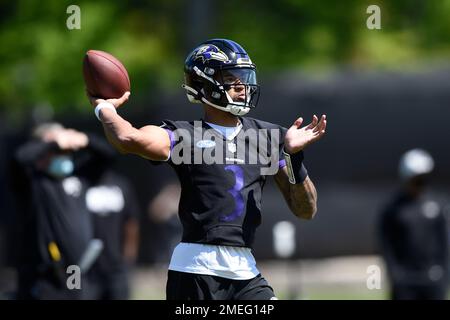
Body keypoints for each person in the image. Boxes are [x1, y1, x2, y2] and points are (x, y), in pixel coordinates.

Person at [88, 39, 327, 300]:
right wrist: (104, 107)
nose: (242, 87)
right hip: (195, 269)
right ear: (204, 84)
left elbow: (306, 210)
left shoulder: (269, 137)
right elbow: (128, 139)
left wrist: (292, 157)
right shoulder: (183, 135)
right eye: (231, 78)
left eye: (244, 78)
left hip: (245, 271)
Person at [10, 122, 116, 299]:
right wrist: (54, 142)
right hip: (43, 279)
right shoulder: (31, 181)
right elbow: (19, 158)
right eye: (57, 150)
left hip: (76, 274)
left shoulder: (79, 177)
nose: (64, 154)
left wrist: (85, 139)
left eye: (66, 150)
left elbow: (108, 155)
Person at [378, 149, 449, 300]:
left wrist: (443, 277)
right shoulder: (393, 210)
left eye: (423, 179)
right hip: (406, 282)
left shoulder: (437, 206)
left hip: (432, 280)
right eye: (416, 180)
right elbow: (386, 247)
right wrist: (396, 276)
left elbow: (445, 244)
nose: (419, 184)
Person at [87, 165, 140, 300]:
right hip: (88, 267)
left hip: (116, 265)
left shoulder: (122, 185)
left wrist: (129, 257)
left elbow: (131, 222)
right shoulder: (82, 183)